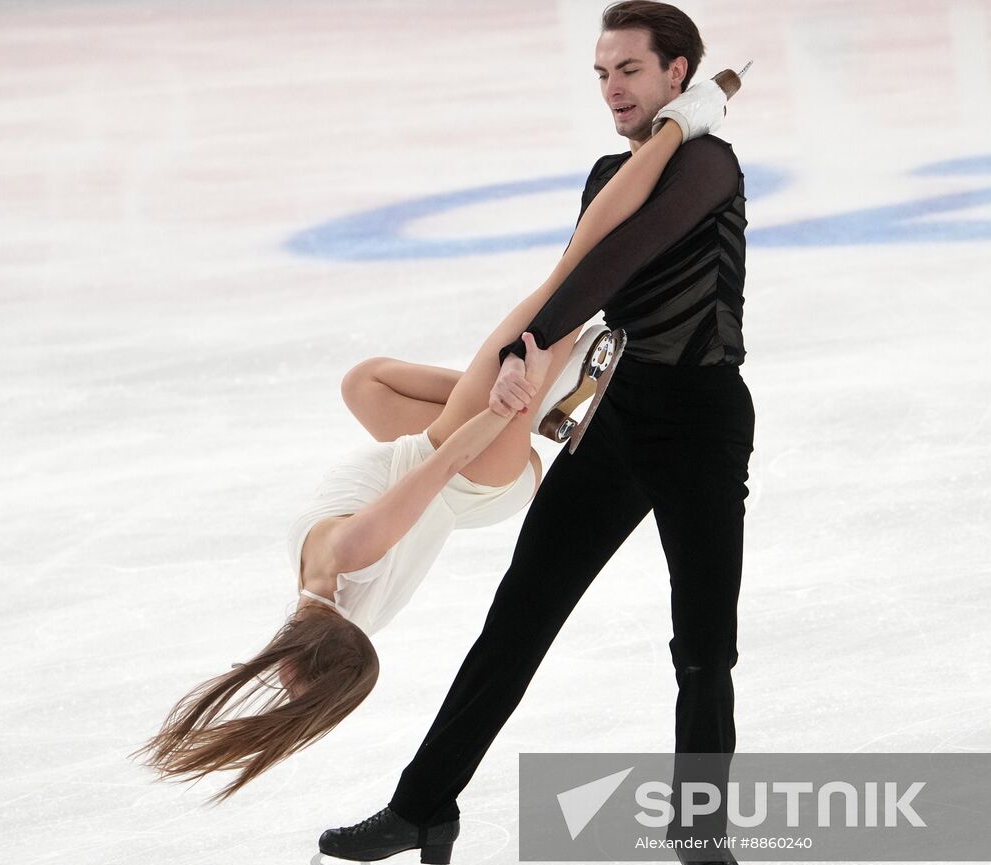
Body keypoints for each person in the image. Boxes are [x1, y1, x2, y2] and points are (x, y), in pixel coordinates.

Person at [131, 71, 734, 805]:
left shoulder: (347, 614)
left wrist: (495, 396)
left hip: (459, 478)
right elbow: (443, 463)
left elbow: (418, 464)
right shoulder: (339, 560)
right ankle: (681, 124)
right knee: (571, 277)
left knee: (366, 383)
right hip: (466, 469)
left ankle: (557, 385)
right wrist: (506, 398)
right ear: (291, 655)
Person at [319, 0, 756, 865]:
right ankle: (421, 807)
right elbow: (585, 268)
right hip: (622, 411)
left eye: (629, 71)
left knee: (703, 643)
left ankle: (700, 826)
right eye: (601, 74)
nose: (612, 89)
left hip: (703, 419)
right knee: (517, 620)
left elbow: (634, 246)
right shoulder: (612, 171)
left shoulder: (709, 165)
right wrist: (533, 360)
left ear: (679, 74)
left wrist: (533, 340)